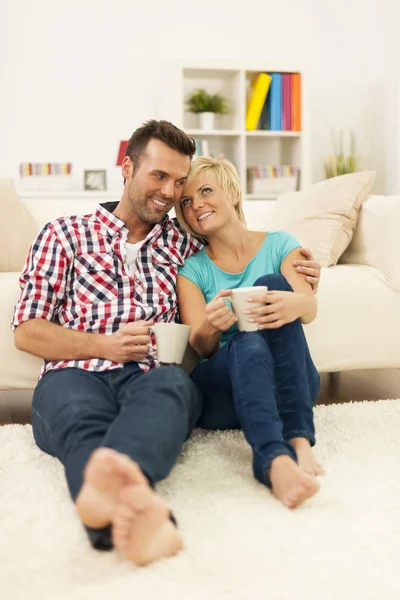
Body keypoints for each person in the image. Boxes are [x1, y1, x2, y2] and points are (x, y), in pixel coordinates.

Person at [12, 121, 322, 566]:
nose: (172, 193)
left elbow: (242, 256)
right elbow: (26, 330)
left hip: (155, 375)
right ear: (127, 168)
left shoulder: (184, 243)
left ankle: (119, 506)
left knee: (174, 393)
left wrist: (306, 282)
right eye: (159, 176)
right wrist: (105, 345)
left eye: (180, 182)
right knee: (83, 423)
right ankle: (132, 515)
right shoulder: (64, 234)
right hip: (74, 373)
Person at [176, 156, 324, 510]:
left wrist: (293, 303)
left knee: (273, 283)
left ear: (233, 192)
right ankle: (275, 460)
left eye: (206, 190)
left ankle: (299, 440)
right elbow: (200, 344)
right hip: (228, 391)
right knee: (246, 340)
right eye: (186, 201)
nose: (196, 204)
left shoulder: (280, 244)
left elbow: (309, 306)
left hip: (288, 382)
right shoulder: (191, 270)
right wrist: (212, 325)